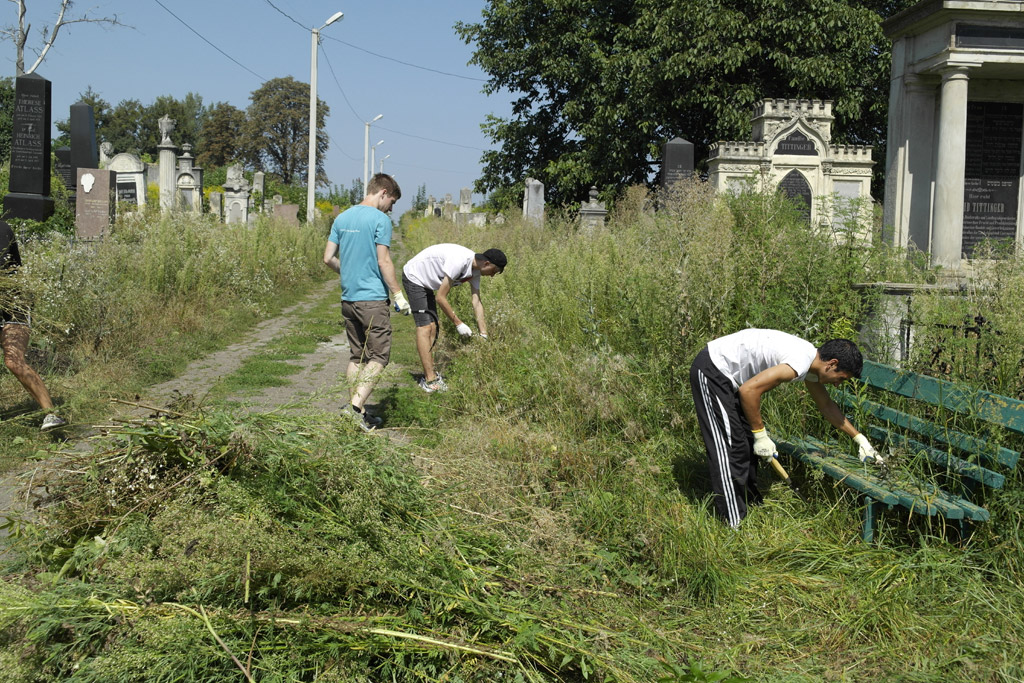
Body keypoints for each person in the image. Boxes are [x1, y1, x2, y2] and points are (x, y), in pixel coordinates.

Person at [689, 328, 883, 528]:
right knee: (731, 447)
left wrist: (859, 439)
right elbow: (748, 391)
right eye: (841, 378)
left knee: (745, 442)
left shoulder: (811, 363)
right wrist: (761, 435)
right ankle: (733, 523)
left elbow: (826, 406)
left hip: (730, 378)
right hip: (714, 370)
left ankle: (750, 504)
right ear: (832, 364)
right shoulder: (799, 362)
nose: (837, 385)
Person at [323, 173, 410, 431]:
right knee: (379, 356)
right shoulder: (380, 220)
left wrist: (349, 271)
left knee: (357, 356)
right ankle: (353, 409)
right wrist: (398, 295)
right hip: (372, 299)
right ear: (383, 192)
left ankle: (358, 410)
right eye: (392, 202)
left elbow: (328, 258)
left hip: (348, 298)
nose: (391, 208)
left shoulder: (342, 217)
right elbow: (384, 261)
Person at [401, 244, 507, 393]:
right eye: (494, 271)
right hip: (415, 276)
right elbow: (441, 297)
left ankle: (431, 373)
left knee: (434, 326)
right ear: (487, 263)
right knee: (425, 326)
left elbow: (476, 302)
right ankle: (429, 380)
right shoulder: (460, 261)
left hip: (428, 282)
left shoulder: (475, 271)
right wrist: (459, 324)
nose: (492, 275)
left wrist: (484, 334)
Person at [0, 219, 65, 431]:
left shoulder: (2, 228)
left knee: (13, 361)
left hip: (13, 306)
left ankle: (51, 414)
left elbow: (2, 264)